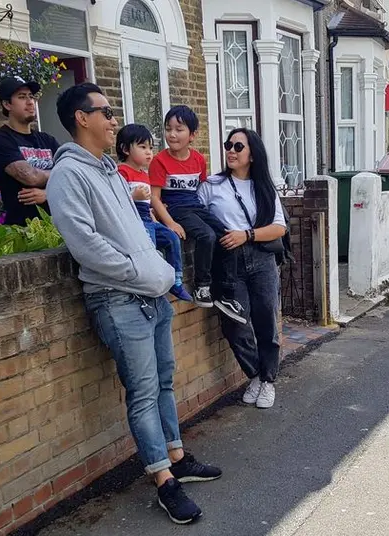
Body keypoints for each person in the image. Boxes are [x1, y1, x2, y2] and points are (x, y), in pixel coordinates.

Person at [46, 83, 221, 525]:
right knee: (142, 393)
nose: (113, 120)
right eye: (105, 112)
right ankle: (164, 480)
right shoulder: (68, 174)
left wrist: (155, 269)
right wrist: (140, 273)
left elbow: (135, 230)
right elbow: (85, 244)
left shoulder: (109, 170)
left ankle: (177, 457)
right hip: (118, 298)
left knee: (164, 383)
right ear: (81, 118)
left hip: (151, 294)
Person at [197, 128, 287, 409]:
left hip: (261, 258)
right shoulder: (212, 185)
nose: (231, 151)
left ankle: (268, 380)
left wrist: (246, 235)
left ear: (252, 154)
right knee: (234, 323)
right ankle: (256, 374)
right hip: (227, 262)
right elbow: (194, 215)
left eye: (238, 146)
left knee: (266, 320)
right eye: (228, 145)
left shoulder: (264, 187)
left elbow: (279, 228)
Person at [149, 105, 245, 323]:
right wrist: (170, 223)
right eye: (168, 129)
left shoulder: (198, 160)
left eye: (179, 129)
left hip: (196, 206)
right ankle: (202, 287)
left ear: (192, 135)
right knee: (206, 236)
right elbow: (154, 198)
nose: (172, 134)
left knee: (228, 235)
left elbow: (201, 190)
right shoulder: (159, 161)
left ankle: (227, 293)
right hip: (175, 208)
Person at [115, 123, 193, 302]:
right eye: (142, 147)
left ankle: (176, 280)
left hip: (147, 218)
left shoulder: (145, 174)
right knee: (149, 245)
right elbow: (115, 200)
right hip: (134, 219)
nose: (149, 152)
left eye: (150, 148)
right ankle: (150, 281)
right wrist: (133, 196)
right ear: (125, 149)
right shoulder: (121, 172)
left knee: (171, 238)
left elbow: (147, 202)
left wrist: (154, 213)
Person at [0, 76, 60, 225]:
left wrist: (48, 193)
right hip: (22, 229)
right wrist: (59, 173)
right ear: (7, 104)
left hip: (58, 226)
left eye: (31, 96)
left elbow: (72, 176)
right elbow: (31, 177)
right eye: (22, 97)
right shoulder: (0, 140)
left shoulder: (48, 140)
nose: (30, 102)